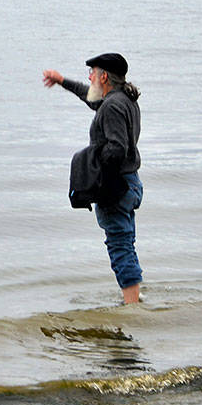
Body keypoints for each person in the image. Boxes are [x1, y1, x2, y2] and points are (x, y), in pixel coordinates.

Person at [42, 53, 144, 304]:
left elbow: (116, 148)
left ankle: (131, 308)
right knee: (125, 243)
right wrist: (62, 81)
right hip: (130, 181)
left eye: (92, 72)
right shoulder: (123, 100)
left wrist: (92, 162)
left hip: (116, 187)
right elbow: (91, 98)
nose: (89, 77)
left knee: (120, 247)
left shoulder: (111, 106)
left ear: (104, 77)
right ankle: (133, 298)